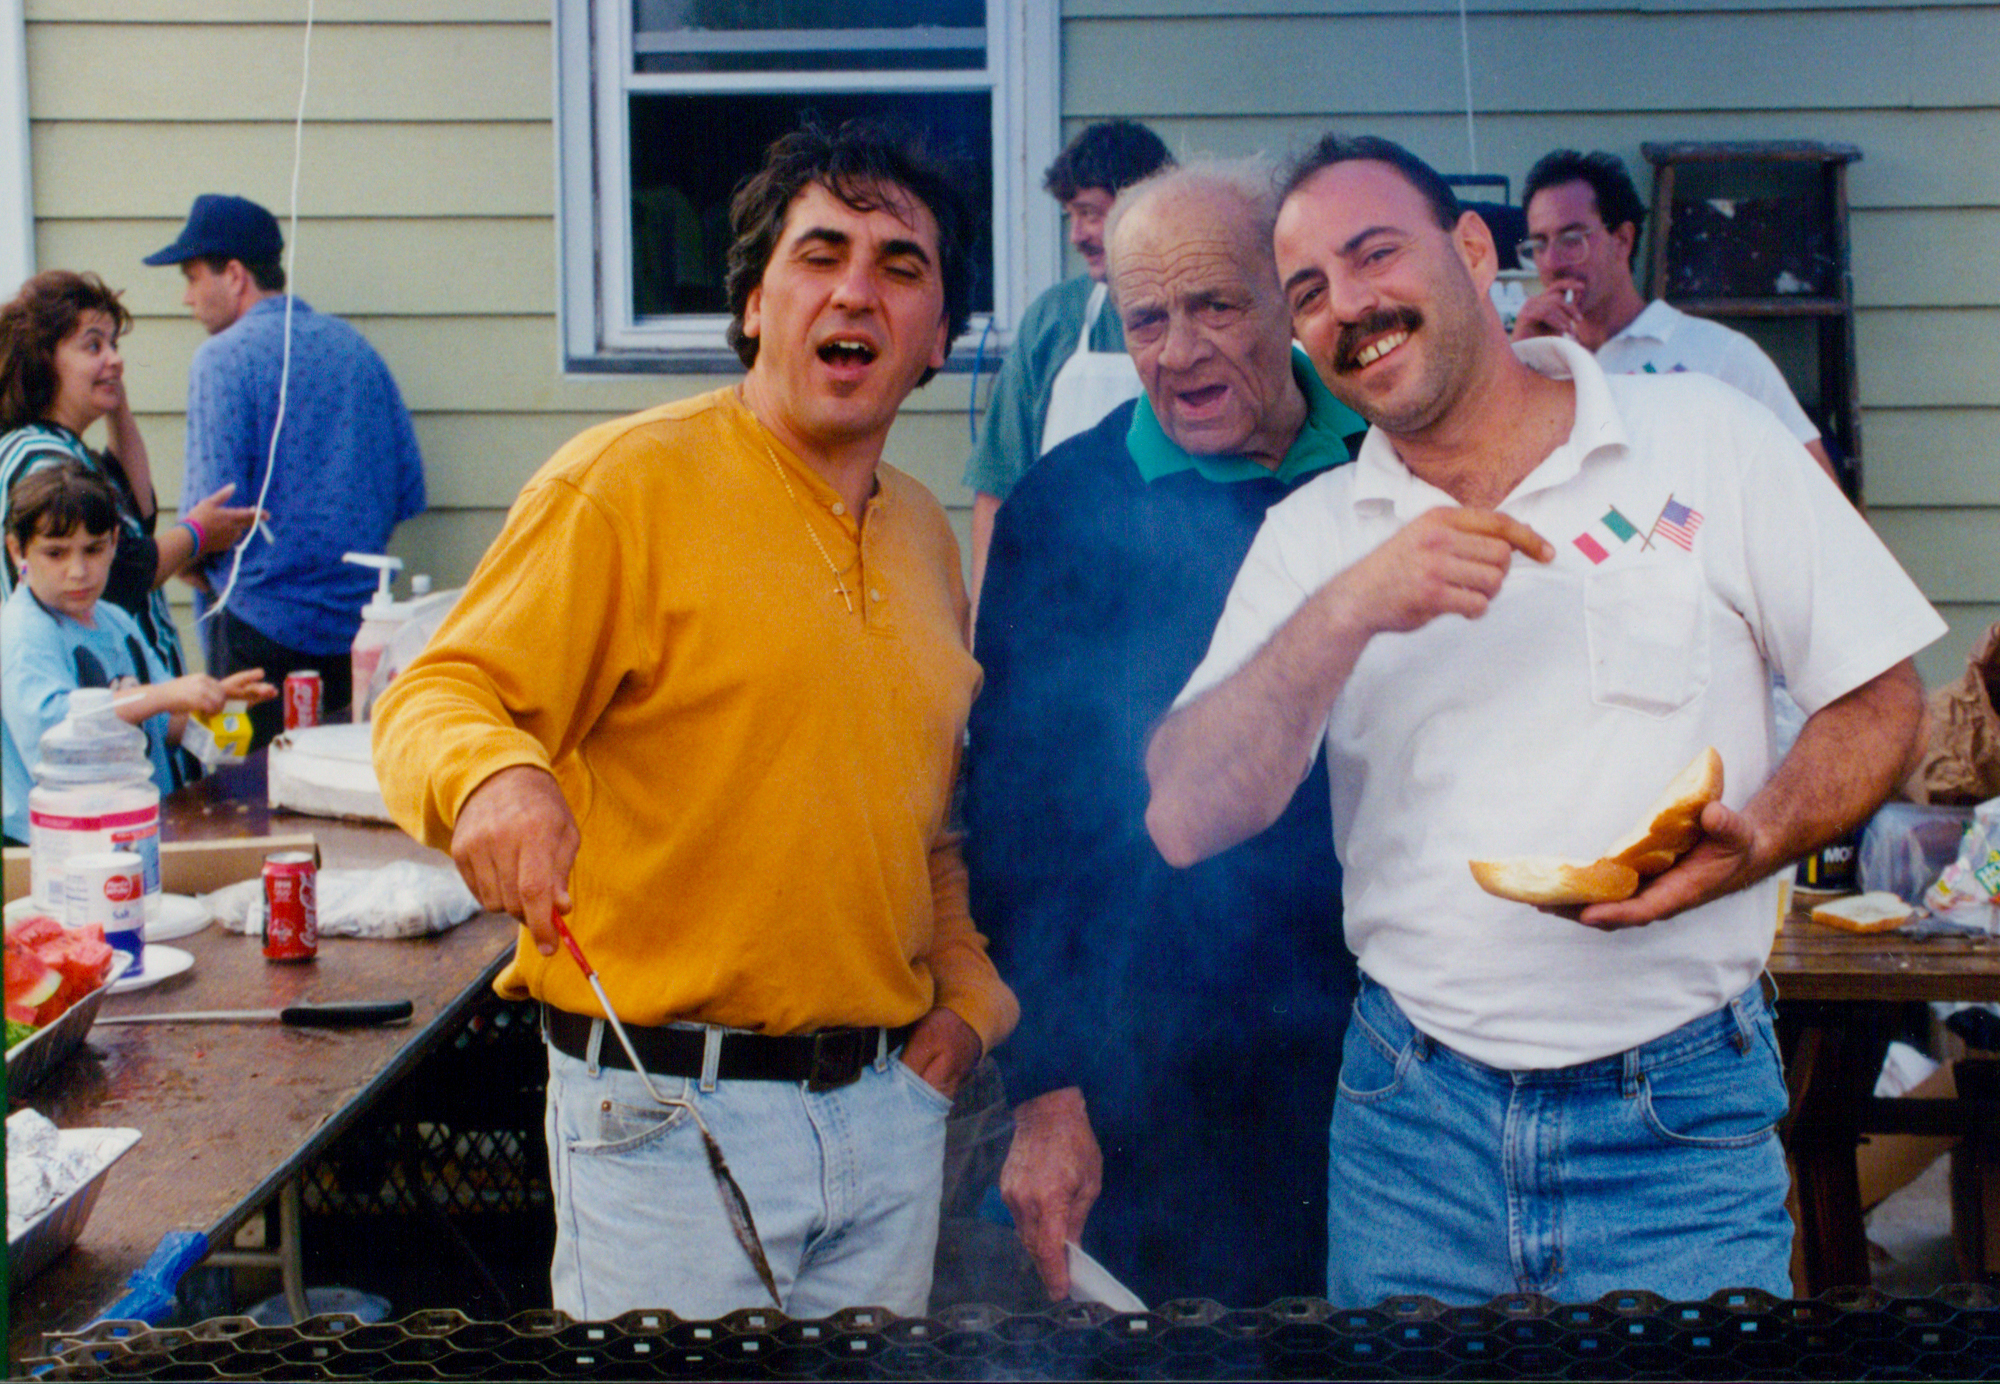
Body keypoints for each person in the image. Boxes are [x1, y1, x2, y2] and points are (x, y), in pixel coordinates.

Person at [1145, 134, 1943, 1305]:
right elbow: (1180, 816)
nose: (1346, 305)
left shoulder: (1706, 436)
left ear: (1473, 251)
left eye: (1373, 254)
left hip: (1677, 1115)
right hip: (1411, 1123)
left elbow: (1878, 697)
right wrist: (1349, 608)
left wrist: (1763, 836)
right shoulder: (1314, 536)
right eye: (1306, 291)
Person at [371, 119, 1017, 1322]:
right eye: (819, 254)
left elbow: (923, 824)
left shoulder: (928, 538)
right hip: (668, 1116)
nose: (856, 291)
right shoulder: (623, 484)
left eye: (900, 266)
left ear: (937, 339)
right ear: (755, 304)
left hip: (890, 1112)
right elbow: (436, 693)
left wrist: (968, 1009)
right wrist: (495, 777)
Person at [965, 161, 1365, 1308]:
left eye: (1215, 305)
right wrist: (1046, 1087)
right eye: (1147, 319)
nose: (1178, 351)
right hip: (1147, 1063)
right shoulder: (1063, 506)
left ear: (1287, 298)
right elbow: (1016, 825)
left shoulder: (1387, 465)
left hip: (1388, 1054)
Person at [144, 194, 426, 746]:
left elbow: (212, 515)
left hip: (255, 637)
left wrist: (186, 559)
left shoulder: (222, 358)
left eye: (192, 277)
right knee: (342, 776)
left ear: (234, 275)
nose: (186, 297)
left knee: (247, 787)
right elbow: (407, 490)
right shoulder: (355, 350)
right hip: (359, 634)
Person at [1509, 149, 1838, 483]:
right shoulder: (1539, 365)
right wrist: (1517, 359)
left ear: (1622, 240)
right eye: (1539, 244)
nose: (1552, 262)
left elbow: (1817, 487)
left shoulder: (1718, 355)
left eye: (1571, 239)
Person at [0, 270, 259, 681]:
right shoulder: (42, 461)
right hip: (95, 697)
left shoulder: (63, 449)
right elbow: (121, 573)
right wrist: (198, 534)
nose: (115, 358)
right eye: (94, 345)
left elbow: (139, 510)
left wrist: (114, 396)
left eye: (114, 345)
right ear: (43, 358)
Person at [3, 462, 273, 843]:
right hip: (53, 846)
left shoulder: (115, 621)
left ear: (114, 541)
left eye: (93, 549)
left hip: (131, 831)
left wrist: (212, 704)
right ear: (18, 551)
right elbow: (56, 731)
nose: (78, 571)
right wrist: (165, 694)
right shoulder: (21, 630)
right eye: (56, 553)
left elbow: (162, 724)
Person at [963, 120, 1174, 599]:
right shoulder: (1054, 319)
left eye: (1090, 214)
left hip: (1174, 599)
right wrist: (986, 622)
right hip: (1059, 605)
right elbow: (997, 487)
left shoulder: (1203, 319)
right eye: (1070, 216)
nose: (1076, 235)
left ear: (1144, 206)